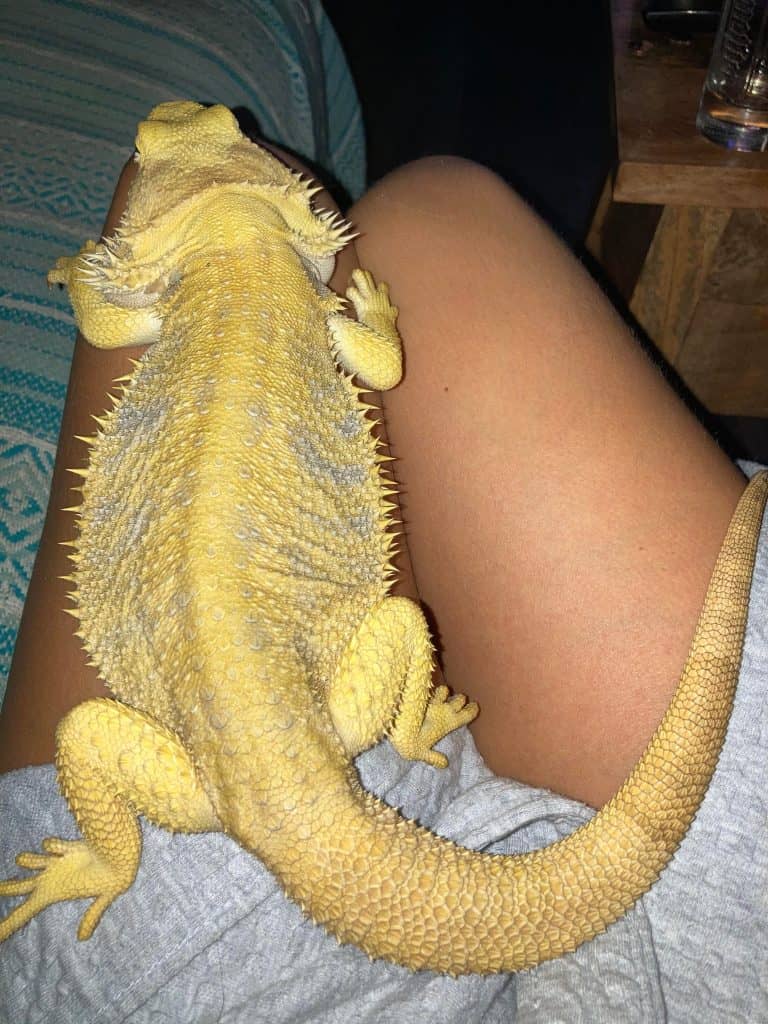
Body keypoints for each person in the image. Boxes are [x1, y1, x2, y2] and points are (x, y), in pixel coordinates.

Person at [0, 144, 763, 1022]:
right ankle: (406, 727)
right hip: (320, 742)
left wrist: (93, 275)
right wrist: (405, 722)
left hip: (200, 824)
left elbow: (106, 316)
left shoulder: (147, 284)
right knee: (419, 207)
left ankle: (113, 856)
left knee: (148, 181)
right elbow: (382, 364)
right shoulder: (310, 292)